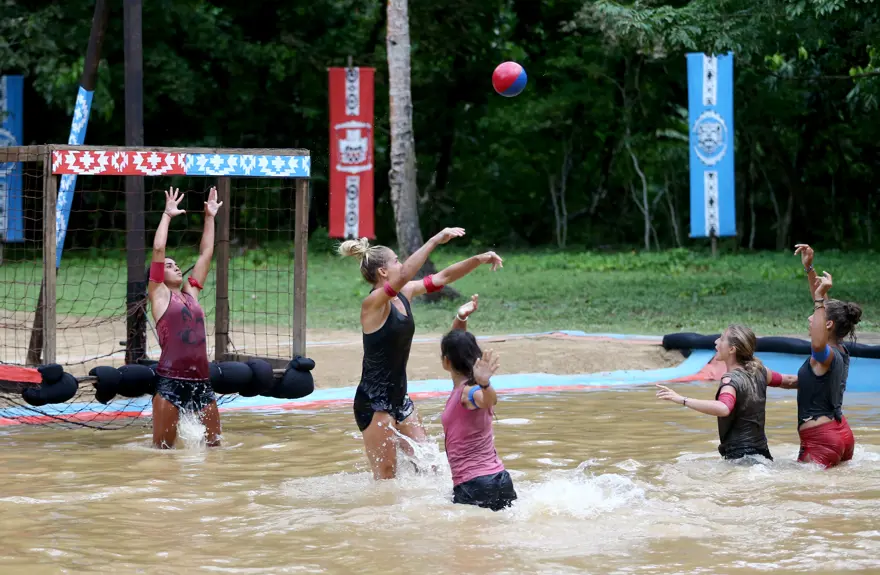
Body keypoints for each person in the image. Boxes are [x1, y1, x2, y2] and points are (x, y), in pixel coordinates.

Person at [338, 231, 503, 480]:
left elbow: (444, 276)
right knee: (386, 477)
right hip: (374, 402)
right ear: (383, 272)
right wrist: (435, 240)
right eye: (395, 260)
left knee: (430, 467)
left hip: (400, 397)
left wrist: (478, 259)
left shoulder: (407, 292)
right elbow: (405, 274)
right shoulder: (372, 303)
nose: (400, 265)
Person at [147, 186, 223, 449]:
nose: (175, 266)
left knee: (215, 448)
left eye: (176, 264)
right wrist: (167, 215)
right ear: (158, 275)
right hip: (170, 383)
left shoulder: (191, 294)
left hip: (202, 382)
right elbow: (158, 247)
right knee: (163, 453)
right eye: (168, 265)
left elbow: (206, 253)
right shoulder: (158, 294)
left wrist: (209, 217)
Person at [656, 324, 796, 461]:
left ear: (731, 349)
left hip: (740, 458)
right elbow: (789, 380)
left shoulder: (730, 380)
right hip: (763, 455)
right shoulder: (761, 371)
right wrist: (816, 380)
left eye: (722, 339)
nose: (716, 341)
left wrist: (682, 399)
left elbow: (723, 408)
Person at [786, 244, 861, 468]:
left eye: (815, 314)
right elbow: (824, 309)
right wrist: (809, 269)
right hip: (841, 434)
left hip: (821, 440)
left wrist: (820, 299)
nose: (811, 319)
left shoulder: (824, 354)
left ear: (828, 325)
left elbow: (817, 345)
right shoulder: (840, 348)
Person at [440, 294, 517, 511]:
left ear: (446, 362)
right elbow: (456, 345)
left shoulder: (469, 392)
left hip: (475, 485)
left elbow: (488, 400)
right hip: (499, 479)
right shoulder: (466, 386)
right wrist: (460, 318)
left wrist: (485, 384)